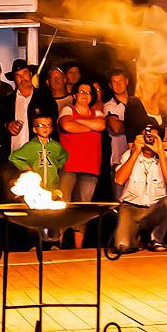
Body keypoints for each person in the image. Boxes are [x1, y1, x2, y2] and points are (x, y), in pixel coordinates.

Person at [113, 122, 167, 254]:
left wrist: (160, 152)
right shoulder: (128, 156)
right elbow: (119, 180)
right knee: (122, 247)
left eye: (153, 138)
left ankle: (156, 239)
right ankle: (138, 238)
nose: (149, 142)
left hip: (154, 209)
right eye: (146, 138)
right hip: (130, 208)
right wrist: (136, 152)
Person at [58, 81, 106, 248]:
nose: (85, 95)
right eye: (82, 92)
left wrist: (80, 123)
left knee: (83, 207)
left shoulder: (97, 112)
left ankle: (78, 248)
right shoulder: (67, 110)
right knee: (62, 205)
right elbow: (66, 125)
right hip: (69, 165)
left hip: (90, 166)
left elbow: (101, 125)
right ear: (75, 95)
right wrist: (90, 125)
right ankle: (58, 244)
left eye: (88, 92)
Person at [9, 114, 68, 194]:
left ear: (51, 128)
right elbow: (13, 157)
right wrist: (26, 167)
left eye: (48, 125)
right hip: (36, 187)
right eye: (40, 125)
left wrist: (57, 166)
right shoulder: (30, 146)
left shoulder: (56, 146)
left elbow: (64, 155)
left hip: (53, 186)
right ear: (34, 129)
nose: (45, 128)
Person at [104, 68, 130, 189]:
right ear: (110, 85)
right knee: (119, 201)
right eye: (114, 82)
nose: (118, 85)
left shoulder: (138, 102)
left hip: (141, 160)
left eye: (121, 81)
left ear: (127, 81)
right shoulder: (109, 105)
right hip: (118, 160)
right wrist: (138, 125)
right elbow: (116, 128)